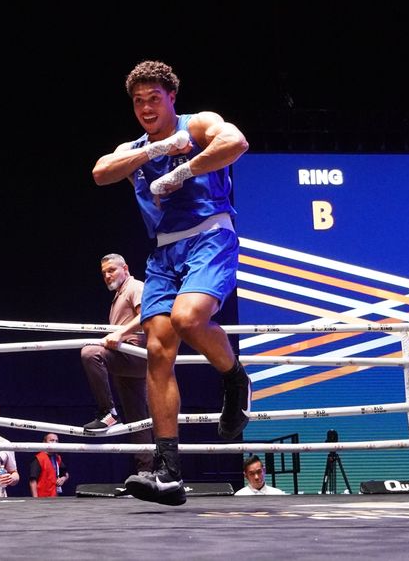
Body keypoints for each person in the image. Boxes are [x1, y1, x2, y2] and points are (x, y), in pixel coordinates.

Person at [92, 60, 252, 506]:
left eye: (153, 98)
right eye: (138, 101)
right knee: (158, 351)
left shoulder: (198, 123)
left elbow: (236, 141)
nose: (145, 107)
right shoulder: (135, 147)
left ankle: (235, 378)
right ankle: (168, 471)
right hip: (163, 250)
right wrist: (156, 152)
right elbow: (101, 171)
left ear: (171, 98)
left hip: (210, 234)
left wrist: (184, 168)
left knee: (187, 318)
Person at [80, 253, 154, 472]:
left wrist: (121, 333)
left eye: (111, 270)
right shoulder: (118, 297)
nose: (107, 275)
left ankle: (108, 412)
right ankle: (145, 473)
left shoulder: (135, 287)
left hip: (136, 353)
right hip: (125, 357)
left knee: (90, 353)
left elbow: (146, 315)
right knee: (137, 419)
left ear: (126, 268)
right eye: (103, 273)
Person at [28, 433, 69, 498]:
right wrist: (35, 500)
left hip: (54, 497)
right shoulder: (39, 459)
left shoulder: (57, 457)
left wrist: (63, 479)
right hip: (41, 498)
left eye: (56, 441)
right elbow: (33, 481)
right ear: (44, 443)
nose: (55, 443)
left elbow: (66, 474)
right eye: (52, 440)